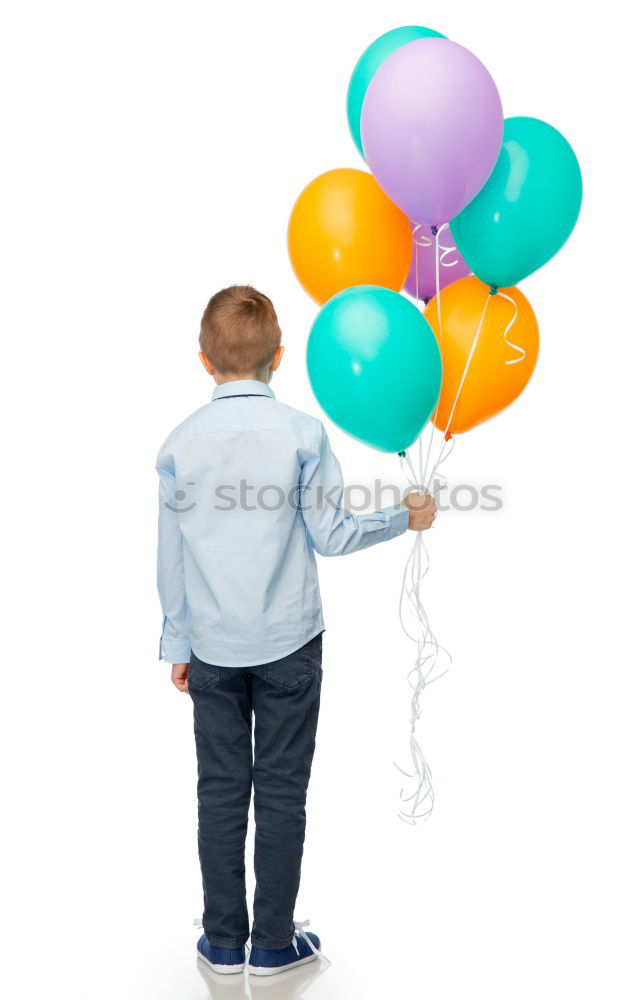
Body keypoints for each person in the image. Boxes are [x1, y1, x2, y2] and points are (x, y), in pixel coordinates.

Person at [156, 285, 436, 977]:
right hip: (289, 645)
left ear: (204, 362)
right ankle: (274, 942)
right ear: (278, 358)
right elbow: (333, 535)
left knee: (219, 789)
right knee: (281, 788)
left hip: (214, 650)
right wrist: (404, 516)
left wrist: (178, 644)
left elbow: (172, 558)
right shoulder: (303, 434)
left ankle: (223, 941)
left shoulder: (178, 446)